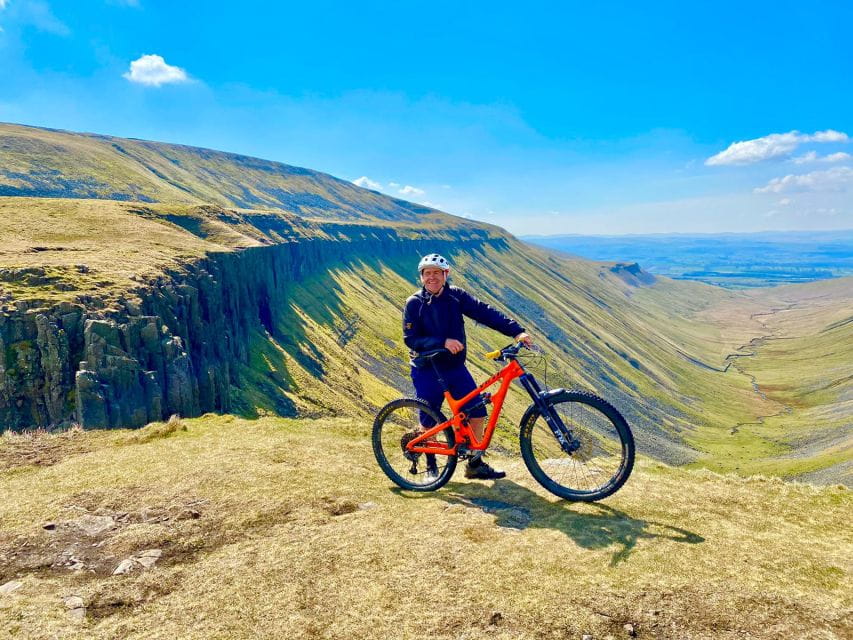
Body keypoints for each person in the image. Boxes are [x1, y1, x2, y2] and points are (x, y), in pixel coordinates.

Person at [402, 253, 533, 480]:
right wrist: (442, 342)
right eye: (427, 273)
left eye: (436, 272)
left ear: (446, 274)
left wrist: (516, 330)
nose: (431, 277)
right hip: (427, 368)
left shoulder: (456, 297)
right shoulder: (414, 303)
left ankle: (474, 463)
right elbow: (410, 339)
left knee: (477, 412)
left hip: (454, 367)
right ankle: (431, 467)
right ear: (421, 277)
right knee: (429, 419)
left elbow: (485, 312)